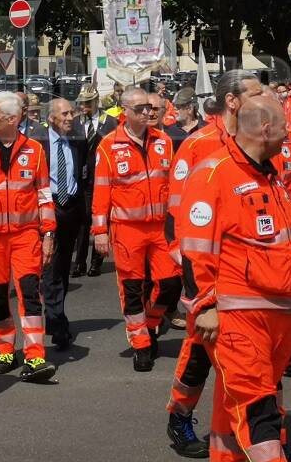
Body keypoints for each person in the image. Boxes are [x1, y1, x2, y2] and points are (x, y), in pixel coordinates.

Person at [181, 95, 291, 462]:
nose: (290, 132)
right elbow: (194, 249)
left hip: (279, 316)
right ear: (266, 128)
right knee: (257, 407)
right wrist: (204, 306)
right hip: (239, 319)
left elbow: (290, 241)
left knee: (232, 403)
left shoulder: (269, 175)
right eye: (285, 126)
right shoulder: (213, 174)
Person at [164, 70, 263, 458]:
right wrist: (196, 287)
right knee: (201, 351)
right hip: (207, 272)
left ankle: (255, 432)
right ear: (233, 102)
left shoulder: (257, 142)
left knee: (253, 357)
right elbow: (177, 216)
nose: (265, 98)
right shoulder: (197, 145)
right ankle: (180, 413)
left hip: (252, 273)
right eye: (256, 93)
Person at [0, 91, 57, 382]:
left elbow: (44, 195)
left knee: (30, 295)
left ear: (12, 118)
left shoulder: (35, 150)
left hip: (25, 236)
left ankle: (35, 356)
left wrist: (48, 234)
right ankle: (5, 350)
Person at [92, 87, 180, 373]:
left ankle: (152, 323)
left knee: (169, 283)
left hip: (160, 228)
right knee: (132, 288)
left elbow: (175, 186)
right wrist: (100, 231)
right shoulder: (108, 145)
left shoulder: (164, 141)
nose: (148, 112)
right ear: (125, 112)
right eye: (141, 108)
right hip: (127, 229)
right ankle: (141, 344)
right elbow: (102, 190)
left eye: (150, 108)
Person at [33, 98, 88, 351]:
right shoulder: (38, 143)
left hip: (71, 209)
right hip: (49, 206)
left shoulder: (77, 140)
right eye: (65, 114)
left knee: (63, 266)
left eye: (72, 113)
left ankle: (56, 315)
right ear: (52, 118)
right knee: (51, 267)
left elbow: (82, 173)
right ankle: (57, 320)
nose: (70, 117)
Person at [72, 86, 118, 278]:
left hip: (103, 177)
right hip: (81, 180)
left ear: (96, 102)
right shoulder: (74, 123)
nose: (83, 106)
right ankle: (80, 262)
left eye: (87, 103)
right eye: (81, 103)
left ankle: (96, 262)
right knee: (82, 222)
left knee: (101, 220)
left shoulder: (110, 122)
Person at [165, 87, 206, 152]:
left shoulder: (206, 129)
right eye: (174, 105)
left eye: (178, 106)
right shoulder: (168, 132)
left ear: (190, 109)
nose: (174, 108)